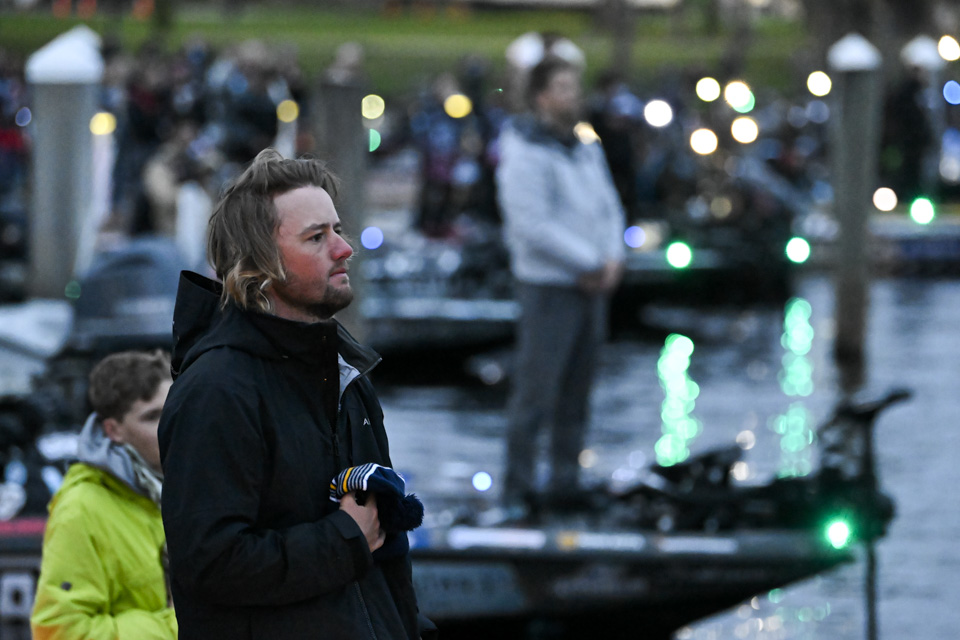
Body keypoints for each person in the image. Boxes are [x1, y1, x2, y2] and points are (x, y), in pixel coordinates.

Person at [158, 148, 429, 640]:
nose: (344, 249)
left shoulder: (347, 377)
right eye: (316, 237)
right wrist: (344, 539)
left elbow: (387, 558)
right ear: (257, 266)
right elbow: (211, 563)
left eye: (338, 230)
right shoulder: (216, 391)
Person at [495, 56, 626, 516]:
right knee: (536, 392)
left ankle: (565, 484)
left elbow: (609, 206)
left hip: (592, 286)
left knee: (578, 392)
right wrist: (589, 262)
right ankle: (517, 491)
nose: (575, 96)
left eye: (576, 86)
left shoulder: (586, 147)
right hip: (549, 287)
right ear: (541, 97)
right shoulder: (523, 151)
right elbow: (532, 225)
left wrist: (613, 257)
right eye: (564, 88)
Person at [31, 350, 177, 640]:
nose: (171, 424)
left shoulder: (178, 488)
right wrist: (177, 625)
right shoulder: (81, 509)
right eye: (152, 417)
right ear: (113, 430)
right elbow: (60, 632)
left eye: (174, 409)